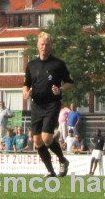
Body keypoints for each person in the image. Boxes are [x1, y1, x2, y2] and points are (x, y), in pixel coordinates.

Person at [23, 32, 73, 177]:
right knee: (37, 141)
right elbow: (25, 84)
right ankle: (50, 171)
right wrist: (26, 93)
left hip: (52, 104)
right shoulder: (32, 65)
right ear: (37, 46)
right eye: (42, 44)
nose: (44, 47)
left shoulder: (58, 64)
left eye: (47, 44)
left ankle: (63, 160)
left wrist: (61, 89)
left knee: (46, 138)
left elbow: (70, 82)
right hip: (37, 106)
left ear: (51, 46)